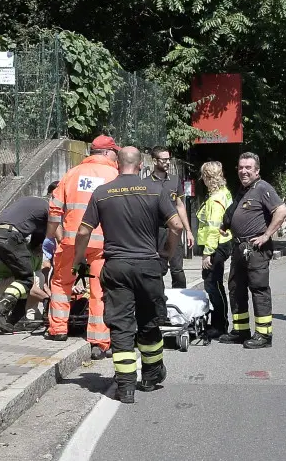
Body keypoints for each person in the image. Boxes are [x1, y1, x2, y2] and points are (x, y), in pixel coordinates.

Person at [75, 146, 184, 404]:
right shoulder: (155, 190)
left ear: (118, 165)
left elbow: (82, 231)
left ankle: (125, 387)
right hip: (148, 265)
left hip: (117, 267)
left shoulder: (101, 194)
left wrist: (78, 260)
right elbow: (177, 224)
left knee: (122, 325)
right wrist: (167, 252)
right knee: (148, 320)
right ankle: (150, 375)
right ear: (141, 166)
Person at [46, 135, 119, 359]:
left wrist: (53, 238)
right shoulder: (114, 175)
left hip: (72, 240)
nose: (116, 155)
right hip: (102, 242)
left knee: (60, 282)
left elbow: (54, 210)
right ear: (107, 153)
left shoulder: (72, 173)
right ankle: (99, 339)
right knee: (99, 288)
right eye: (114, 151)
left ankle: (58, 329)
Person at [218, 152, 286, 349]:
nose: (243, 171)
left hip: (255, 249)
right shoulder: (244, 190)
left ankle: (264, 335)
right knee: (236, 288)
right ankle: (241, 331)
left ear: (257, 171)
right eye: (241, 167)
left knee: (258, 289)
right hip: (240, 248)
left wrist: (266, 235)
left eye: (248, 168)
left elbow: (282, 211)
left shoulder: (263, 187)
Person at [0, 182, 58, 333]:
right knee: (27, 279)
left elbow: (37, 239)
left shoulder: (32, 202)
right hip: (10, 236)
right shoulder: (48, 208)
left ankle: (14, 319)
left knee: (22, 277)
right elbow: (47, 236)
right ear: (54, 197)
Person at [196, 161, 234, 339]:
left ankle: (220, 325)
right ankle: (220, 322)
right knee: (215, 284)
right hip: (223, 243)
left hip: (216, 245)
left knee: (212, 284)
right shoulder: (224, 193)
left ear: (207, 177)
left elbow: (213, 228)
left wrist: (207, 253)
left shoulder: (214, 199)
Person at [146, 146, 194, 288]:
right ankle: (157, 300)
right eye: (164, 159)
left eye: (169, 159)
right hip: (156, 231)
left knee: (177, 269)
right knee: (157, 269)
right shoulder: (145, 183)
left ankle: (181, 301)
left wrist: (188, 231)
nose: (167, 162)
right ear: (154, 161)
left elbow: (180, 205)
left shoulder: (174, 180)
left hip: (174, 230)